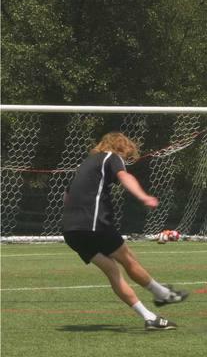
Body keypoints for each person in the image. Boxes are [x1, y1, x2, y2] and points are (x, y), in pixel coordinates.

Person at [62, 132, 188, 330]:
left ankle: (149, 317)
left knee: (113, 271)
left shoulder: (86, 164)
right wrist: (144, 197)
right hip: (93, 224)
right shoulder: (111, 157)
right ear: (121, 147)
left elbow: (67, 196)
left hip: (71, 231)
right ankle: (161, 294)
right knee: (127, 258)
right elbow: (124, 176)